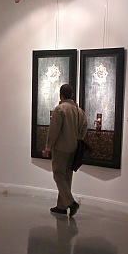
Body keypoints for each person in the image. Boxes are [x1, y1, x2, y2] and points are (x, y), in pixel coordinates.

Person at [42, 83, 88, 216]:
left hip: (61, 148)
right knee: (67, 176)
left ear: (60, 95)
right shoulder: (79, 110)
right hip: (74, 147)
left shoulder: (60, 109)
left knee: (58, 175)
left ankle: (70, 203)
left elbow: (54, 130)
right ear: (72, 95)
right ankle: (61, 206)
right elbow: (85, 125)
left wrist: (48, 147)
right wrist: (79, 138)